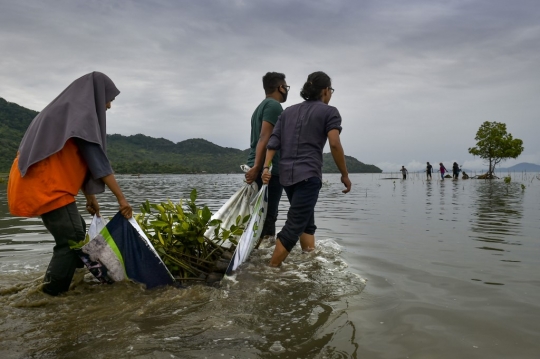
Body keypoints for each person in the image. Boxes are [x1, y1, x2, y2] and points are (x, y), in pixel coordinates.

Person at [7, 72, 133, 296]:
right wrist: (121, 199)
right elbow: (98, 162)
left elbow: (77, 158)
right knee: (71, 240)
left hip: (40, 182)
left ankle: (61, 287)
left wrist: (90, 197)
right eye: (108, 98)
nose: (110, 105)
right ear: (95, 95)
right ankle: (51, 296)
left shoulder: (66, 113)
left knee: (74, 234)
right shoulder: (82, 117)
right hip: (45, 185)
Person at [261, 71, 351, 267]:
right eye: (331, 90)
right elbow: (334, 144)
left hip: (286, 177)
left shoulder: (287, 112)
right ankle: (270, 271)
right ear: (326, 90)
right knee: (293, 226)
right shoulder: (330, 112)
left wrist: (266, 167)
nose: (331, 94)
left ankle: (310, 263)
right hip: (308, 176)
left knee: (306, 222)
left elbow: (273, 142)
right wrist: (344, 174)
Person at [244, 72, 288, 241]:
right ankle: (264, 259)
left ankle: (257, 259)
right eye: (286, 86)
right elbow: (265, 137)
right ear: (280, 87)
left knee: (259, 215)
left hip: (259, 167)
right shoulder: (274, 106)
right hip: (267, 170)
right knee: (268, 217)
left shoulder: (260, 107)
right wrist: (259, 166)